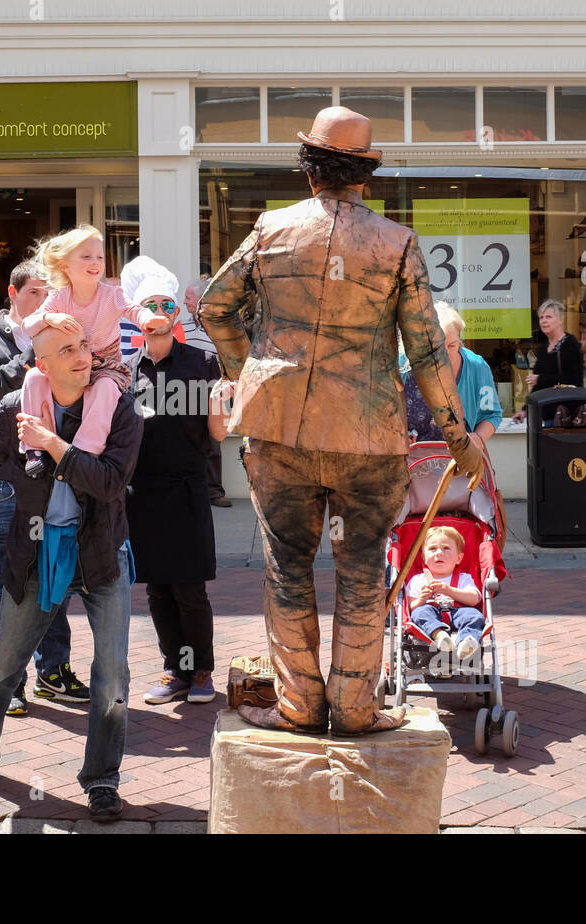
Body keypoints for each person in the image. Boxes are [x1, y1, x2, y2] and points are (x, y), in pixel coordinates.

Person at [199, 106, 485, 736]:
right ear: (364, 177)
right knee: (361, 567)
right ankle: (355, 707)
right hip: (368, 431)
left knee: (286, 565)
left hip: (277, 430)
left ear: (310, 172)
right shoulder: (397, 243)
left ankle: (299, 706)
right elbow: (429, 350)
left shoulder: (271, 230)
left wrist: (247, 371)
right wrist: (459, 437)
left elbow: (214, 307)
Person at [0, 321, 144, 823]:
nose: (82, 355)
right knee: (3, 662)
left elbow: (109, 483)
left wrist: (55, 446)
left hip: (102, 557)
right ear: (41, 364)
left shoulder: (119, 409)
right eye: (67, 349)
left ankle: (102, 780)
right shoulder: (15, 409)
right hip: (38, 552)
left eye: (84, 344)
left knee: (112, 677)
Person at [0, 260, 84, 714]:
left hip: (56, 478)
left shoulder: (63, 333)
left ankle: (54, 672)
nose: (44, 301)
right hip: (7, 483)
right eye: (35, 292)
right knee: (7, 579)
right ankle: (8, 680)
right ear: (13, 295)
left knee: (53, 576)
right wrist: (25, 361)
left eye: (49, 293)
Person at [120, 257, 230, 705]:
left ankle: (201, 670)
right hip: (141, 490)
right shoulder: (126, 368)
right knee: (157, 586)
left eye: (167, 304)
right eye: (151, 305)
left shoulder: (203, 362)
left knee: (188, 585)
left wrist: (223, 405)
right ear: (136, 315)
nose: (160, 312)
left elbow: (218, 433)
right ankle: (174, 671)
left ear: (178, 313)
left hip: (187, 486)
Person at [17, 226, 166, 476]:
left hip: (105, 366)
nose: (95, 262)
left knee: (105, 388)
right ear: (65, 265)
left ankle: (85, 449)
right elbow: (28, 325)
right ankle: (33, 449)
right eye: (86, 257)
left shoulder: (112, 294)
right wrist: (49, 318)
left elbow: (134, 310)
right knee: (33, 378)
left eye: (99, 257)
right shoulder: (59, 297)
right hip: (68, 368)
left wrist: (148, 320)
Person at [401, 301, 502, 443]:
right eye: (437, 347)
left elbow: (491, 414)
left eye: (452, 345)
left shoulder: (476, 366)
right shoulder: (401, 365)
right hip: (412, 461)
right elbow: (380, 416)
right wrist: (398, 435)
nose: (445, 354)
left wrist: (478, 438)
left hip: (459, 461)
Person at [181, 279, 231, 507]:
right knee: (186, 437)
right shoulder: (181, 326)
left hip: (213, 385)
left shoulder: (220, 326)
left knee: (213, 439)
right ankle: (190, 489)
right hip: (185, 388)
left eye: (189, 297)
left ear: (202, 299)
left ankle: (214, 491)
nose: (184, 302)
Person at [405, 526, 483, 660]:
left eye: (446, 548)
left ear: (459, 558)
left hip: (458, 612)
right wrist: (422, 599)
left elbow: (475, 599)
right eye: (432, 549)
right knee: (420, 613)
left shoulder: (464, 578)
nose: (439, 553)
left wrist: (449, 590)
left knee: (475, 615)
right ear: (424, 557)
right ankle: (440, 635)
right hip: (431, 614)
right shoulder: (418, 580)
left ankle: (466, 644)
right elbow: (411, 607)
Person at [511, 299, 584, 422]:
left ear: (561, 320)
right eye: (541, 317)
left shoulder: (570, 344)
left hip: (566, 415)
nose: (543, 321)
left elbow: (573, 380)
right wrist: (525, 410)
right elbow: (538, 387)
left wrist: (540, 378)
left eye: (548, 317)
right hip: (548, 415)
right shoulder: (543, 349)